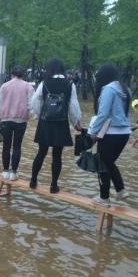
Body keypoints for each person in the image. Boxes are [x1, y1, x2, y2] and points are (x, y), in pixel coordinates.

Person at [30, 58, 82, 194]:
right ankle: (53, 185)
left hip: (45, 123)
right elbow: (73, 106)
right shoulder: (70, 84)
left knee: (41, 152)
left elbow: (34, 102)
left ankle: (33, 180)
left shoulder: (44, 83)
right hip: (61, 123)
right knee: (57, 156)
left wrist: (39, 115)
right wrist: (76, 123)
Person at [88, 63, 132, 207]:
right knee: (108, 163)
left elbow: (103, 114)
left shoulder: (108, 89)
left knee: (102, 164)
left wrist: (92, 132)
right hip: (124, 133)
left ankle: (104, 198)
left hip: (111, 133)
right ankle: (120, 190)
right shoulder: (126, 89)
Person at [0, 65, 34, 181]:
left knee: (6, 146)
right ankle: (14, 172)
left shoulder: (4, 86)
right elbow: (31, 105)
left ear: (12, 74)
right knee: (17, 146)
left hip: (5, 120)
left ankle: (5, 171)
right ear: (23, 75)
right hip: (21, 120)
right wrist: (30, 116)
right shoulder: (28, 86)